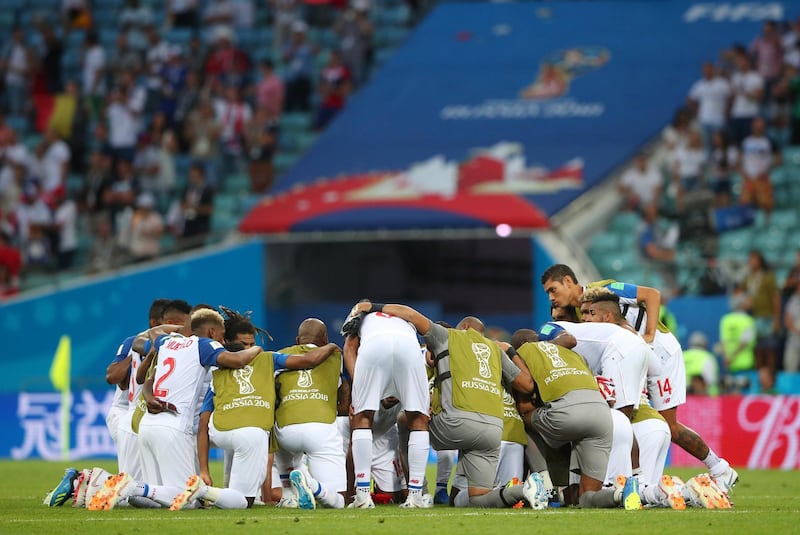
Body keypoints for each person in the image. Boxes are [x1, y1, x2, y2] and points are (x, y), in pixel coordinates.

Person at [540, 264, 739, 493]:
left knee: (669, 427)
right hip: (634, 355)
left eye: (553, 290)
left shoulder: (603, 289)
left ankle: (719, 469)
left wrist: (649, 335)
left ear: (568, 281)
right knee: (637, 414)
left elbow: (652, 295)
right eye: (547, 293)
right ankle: (642, 481)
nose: (551, 297)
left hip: (661, 352)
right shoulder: (580, 313)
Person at [346, 302, 539, 509]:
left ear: (463, 328)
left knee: (408, 419)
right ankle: (524, 489)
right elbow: (526, 385)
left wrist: (373, 306)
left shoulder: (449, 336)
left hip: (457, 424)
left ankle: (420, 494)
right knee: (475, 499)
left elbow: (410, 314)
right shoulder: (495, 348)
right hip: (492, 431)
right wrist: (510, 350)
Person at [172, 325, 342, 510]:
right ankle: (308, 485)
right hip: (252, 432)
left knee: (244, 458)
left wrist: (204, 469)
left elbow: (204, 421)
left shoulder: (217, 373)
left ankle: (282, 494)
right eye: (244, 344)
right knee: (244, 500)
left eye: (251, 344)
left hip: (220, 430)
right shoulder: (268, 359)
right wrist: (332, 346)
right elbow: (309, 360)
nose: (248, 348)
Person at [511, 330, 636, 509]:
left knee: (525, 419)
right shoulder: (574, 355)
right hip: (602, 416)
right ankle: (621, 494)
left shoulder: (523, 353)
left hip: (567, 415)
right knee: (587, 497)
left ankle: (548, 489)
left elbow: (524, 408)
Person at [341, 301, 432, 509]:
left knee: (362, 416)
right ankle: (416, 496)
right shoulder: (401, 315)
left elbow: (349, 347)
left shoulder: (360, 312)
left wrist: (360, 389)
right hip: (410, 347)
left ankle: (363, 496)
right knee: (418, 419)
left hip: (374, 346)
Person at [271, 318, 347, 510]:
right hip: (321, 430)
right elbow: (345, 394)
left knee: (276, 418)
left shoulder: (280, 355)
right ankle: (310, 483)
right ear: (325, 338)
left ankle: (288, 494)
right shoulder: (337, 357)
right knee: (338, 500)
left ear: (298, 340)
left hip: (286, 432)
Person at [741, 250, 781, 392]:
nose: (752, 262)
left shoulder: (768, 277)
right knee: (758, 351)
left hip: (767, 317)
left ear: (760, 260)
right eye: (750, 259)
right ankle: (760, 382)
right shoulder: (749, 278)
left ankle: (771, 381)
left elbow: (775, 297)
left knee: (770, 350)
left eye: (754, 259)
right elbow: (740, 292)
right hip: (754, 319)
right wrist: (744, 301)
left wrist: (776, 318)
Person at [687, 62, 731, 150]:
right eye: (704, 70)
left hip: (719, 119)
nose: (706, 72)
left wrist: (727, 111)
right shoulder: (700, 85)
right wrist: (698, 111)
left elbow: (731, 97)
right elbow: (690, 99)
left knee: (721, 144)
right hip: (705, 119)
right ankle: (709, 162)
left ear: (713, 69)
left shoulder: (722, 83)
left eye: (708, 69)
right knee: (707, 146)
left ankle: (721, 161)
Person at [682, 331, 720, 396]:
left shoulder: (682, 355)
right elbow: (711, 379)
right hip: (705, 397)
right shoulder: (707, 356)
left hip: (682, 396)